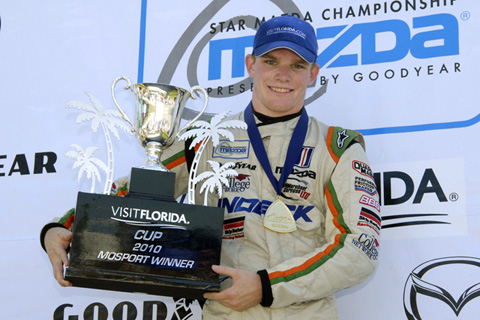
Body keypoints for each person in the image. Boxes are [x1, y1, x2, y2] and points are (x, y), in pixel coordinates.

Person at [41, 15, 381, 319]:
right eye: (271, 60)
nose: (282, 74)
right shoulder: (206, 138)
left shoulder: (338, 148)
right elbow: (139, 194)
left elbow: (359, 248)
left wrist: (266, 286)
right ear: (251, 64)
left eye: (297, 65)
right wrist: (62, 227)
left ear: (313, 74)